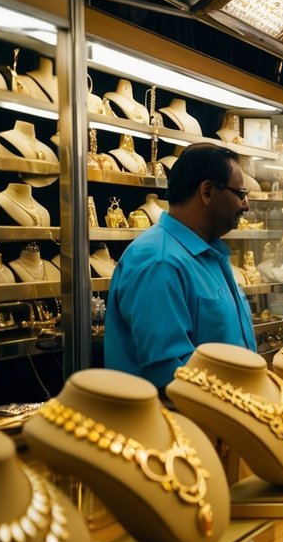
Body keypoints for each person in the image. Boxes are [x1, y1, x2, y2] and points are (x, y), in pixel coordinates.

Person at [106, 144, 257, 389]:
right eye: (240, 193)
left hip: (221, 416)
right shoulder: (160, 262)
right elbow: (171, 373)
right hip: (179, 423)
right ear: (207, 191)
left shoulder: (208, 253)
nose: (246, 205)